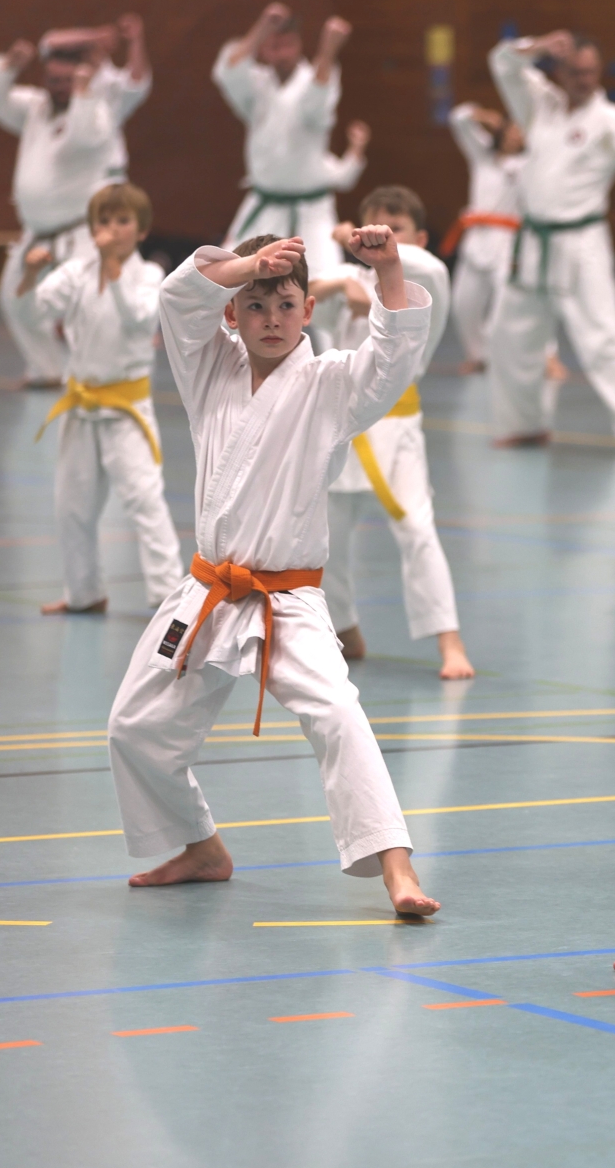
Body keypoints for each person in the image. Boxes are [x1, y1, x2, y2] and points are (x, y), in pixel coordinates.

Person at [104, 227, 439, 915]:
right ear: (231, 313)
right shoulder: (207, 367)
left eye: (286, 305)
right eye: (255, 306)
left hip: (285, 598)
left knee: (338, 713)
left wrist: (389, 271)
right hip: (208, 589)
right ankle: (201, 847)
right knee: (133, 727)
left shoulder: (329, 384)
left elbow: (392, 358)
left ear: (308, 309)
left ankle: (398, 869)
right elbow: (177, 298)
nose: (272, 320)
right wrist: (247, 265)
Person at [486, 29, 615, 456]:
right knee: (511, 334)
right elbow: (502, 62)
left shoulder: (613, 122)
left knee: (604, 334)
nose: (584, 80)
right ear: (559, 71)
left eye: (591, 72)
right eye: (575, 72)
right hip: (533, 239)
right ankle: (524, 424)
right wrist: (538, 46)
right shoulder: (538, 104)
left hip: (583, 241)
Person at [311, 186, 474, 680]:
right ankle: (344, 630)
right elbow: (306, 295)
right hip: (341, 421)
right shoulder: (348, 276)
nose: (378, 240)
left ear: (418, 238)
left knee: (417, 529)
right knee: (327, 538)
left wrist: (362, 244)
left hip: (395, 426)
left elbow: (424, 267)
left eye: (394, 231)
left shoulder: (428, 276)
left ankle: (449, 641)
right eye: (370, 230)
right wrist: (340, 286)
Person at [30, 183, 184, 616]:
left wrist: (113, 269)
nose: (112, 229)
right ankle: (84, 593)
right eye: (103, 221)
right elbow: (44, 307)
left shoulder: (149, 276)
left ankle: (169, 599)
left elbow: (140, 320)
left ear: (142, 230)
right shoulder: (78, 271)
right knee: (71, 507)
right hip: (80, 408)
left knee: (145, 502)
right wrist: (38, 270)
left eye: (122, 221)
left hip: (126, 411)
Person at [0, 14, 151, 388]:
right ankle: (48, 369)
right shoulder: (35, 108)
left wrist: (84, 94)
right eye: (52, 81)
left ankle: (100, 371)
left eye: (66, 81)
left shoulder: (96, 110)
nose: (58, 88)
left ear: (81, 79)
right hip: (38, 232)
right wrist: (8, 67)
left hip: (82, 231)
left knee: (92, 302)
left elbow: (84, 139)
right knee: (16, 300)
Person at [213, 3, 355, 276]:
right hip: (263, 203)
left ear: (299, 45)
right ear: (263, 50)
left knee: (325, 283)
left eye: (288, 45)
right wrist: (262, 26)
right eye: (274, 47)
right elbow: (228, 73)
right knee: (230, 277)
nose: (282, 54)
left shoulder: (317, 77)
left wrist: (328, 50)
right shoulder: (257, 84)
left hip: (311, 210)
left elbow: (317, 103)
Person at [443, 102, 526, 375]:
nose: (515, 135)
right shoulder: (482, 157)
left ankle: (523, 357)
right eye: (511, 129)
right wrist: (485, 116)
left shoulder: (527, 164)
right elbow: (458, 118)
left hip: (508, 243)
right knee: (463, 304)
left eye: (521, 131)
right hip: (475, 241)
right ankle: (476, 355)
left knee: (509, 305)